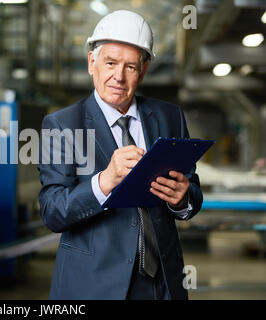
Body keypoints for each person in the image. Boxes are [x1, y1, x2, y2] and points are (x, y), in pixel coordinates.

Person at [38, 10, 203, 300]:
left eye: (130, 67)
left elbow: (192, 188)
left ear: (144, 71)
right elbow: (53, 211)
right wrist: (104, 181)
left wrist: (183, 198)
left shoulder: (170, 117)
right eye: (110, 63)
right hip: (95, 285)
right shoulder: (62, 125)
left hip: (162, 284)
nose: (118, 76)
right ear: (92, 63)